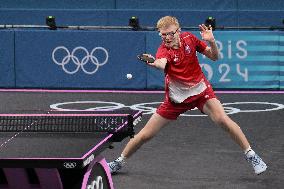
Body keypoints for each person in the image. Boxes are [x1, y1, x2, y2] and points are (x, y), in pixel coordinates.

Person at [108, 16, 267, 175]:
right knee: (145, 135)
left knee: (222, 119)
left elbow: (214, 57)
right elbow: (161, 63)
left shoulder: (189, 38)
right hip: (176, 100)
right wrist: (154, 62)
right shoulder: (164, 50)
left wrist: (211, 41)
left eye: (170, 33)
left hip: (200, 91)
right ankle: (118, 162)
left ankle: (251, 155)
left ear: (179, 30)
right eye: (163, 35)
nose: (167, 38)